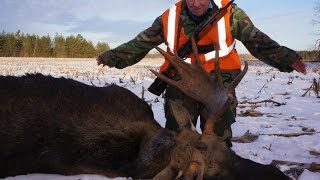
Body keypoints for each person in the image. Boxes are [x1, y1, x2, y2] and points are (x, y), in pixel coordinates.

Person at [96, 0, 306, 147]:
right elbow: (141, 42)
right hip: (182, 77)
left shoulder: (231, 13)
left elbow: (257, 40)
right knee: (178, 132)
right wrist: (111, 57)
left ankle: (218, 159)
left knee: (217, 132)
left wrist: (288, 58)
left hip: (219, 75)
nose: (196, 3)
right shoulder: (169, 17)